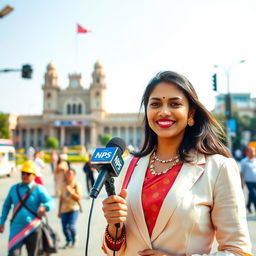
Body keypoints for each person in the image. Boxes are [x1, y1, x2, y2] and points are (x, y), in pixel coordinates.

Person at [101, 71, 252, 256]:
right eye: (155, 104)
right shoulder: (130, 165)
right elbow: (115, 249)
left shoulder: (218, 168)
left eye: (175, 104)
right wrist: (113, 226)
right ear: (147, 111)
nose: (164, 111)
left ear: (191, 113)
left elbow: (238, 251)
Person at [0, 161, 54, 256]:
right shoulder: (14, 188)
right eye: (23, 173)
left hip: (33, 228)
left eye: (28, 174)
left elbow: (51, 202)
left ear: (34, 176)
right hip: (16, 228)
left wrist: (45, 207)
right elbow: (6, 206)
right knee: (13, 253)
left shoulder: (39, 189)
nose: (24, 175)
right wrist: (2, 222)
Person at [58, 168, 82, 249]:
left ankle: (74, 237)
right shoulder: (63, 184)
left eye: (70, 174)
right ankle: (68, 241)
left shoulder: (77, 184)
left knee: (71, 226)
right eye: (67, 174)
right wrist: (59, 210)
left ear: (74, 175)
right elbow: (61, 198)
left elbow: (79, 198)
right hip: (64, 209)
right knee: (64, 227)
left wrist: (71, 191)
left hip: (74, 208)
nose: (68, 176)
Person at [240, 146, 256, 214]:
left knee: (251, 195)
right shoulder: (244, 161)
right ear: (247, 153)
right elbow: (241, 173)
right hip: (249, 181)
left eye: (253, 151)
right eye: (251, 151)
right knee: (254, 195)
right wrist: (241, 182)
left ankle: (248, 206)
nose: (252, 153)